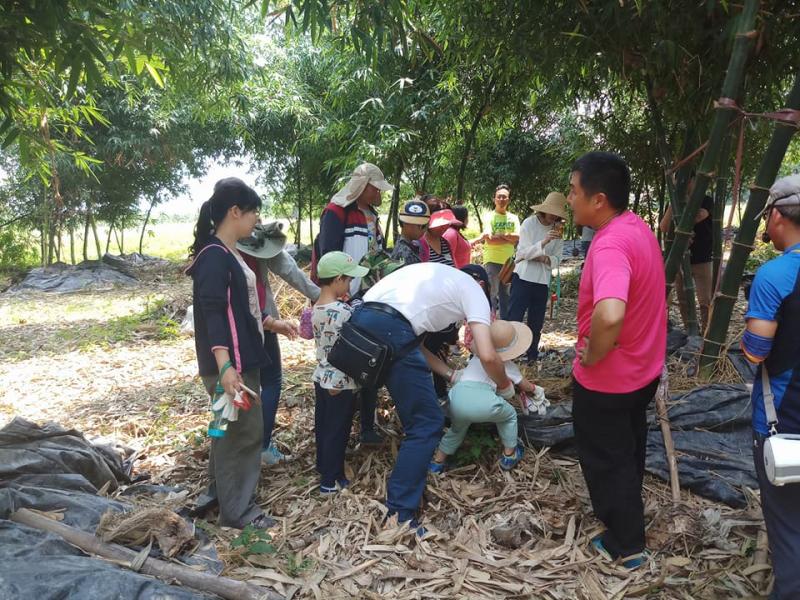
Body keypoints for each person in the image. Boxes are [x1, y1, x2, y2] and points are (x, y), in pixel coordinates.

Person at [348, 262, 514, 532]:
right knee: (426, 423)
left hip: (362, 318)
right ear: (483, 286)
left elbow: (418, 347)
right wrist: (505, 386)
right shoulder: (475, 292)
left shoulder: (436, 278)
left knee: (411, 413)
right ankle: (400, 515)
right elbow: (487, 355)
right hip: (391, 328)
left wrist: (451, 375)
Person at [566, 152, 666, 568]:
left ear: (599, 199)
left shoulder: (609, 244)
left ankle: (626, 544)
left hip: (608, 380)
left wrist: (593, 354)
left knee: (607, 460)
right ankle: (628, 515)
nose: (569, 199)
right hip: (642, 371)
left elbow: (610, 313)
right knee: (627, 449)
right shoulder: (636, 227)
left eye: (573, 191)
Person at [186, 177, 274, 529]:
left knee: (223, 428)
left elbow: (238, 307)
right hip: (232, 367)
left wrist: (269, 323)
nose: (256, 220)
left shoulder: (227, 252)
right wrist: (226, 368)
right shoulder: (214, 256)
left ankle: (218, 492)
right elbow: (214, 313)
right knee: (245, 433)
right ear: (235, 212)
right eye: (253, 213)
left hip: (236, 360)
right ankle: (237, 511)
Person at [740, 174, 800, 600]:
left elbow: (756, 351)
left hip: (786, 418)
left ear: (777, 215)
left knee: (788, 525)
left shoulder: (776, 274)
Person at [312, 162, 394, 446]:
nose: (379, 194)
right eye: (376, 189)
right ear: (363, 186)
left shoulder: (372, 215)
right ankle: (338, 428)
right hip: (344, 296)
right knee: (342, 358)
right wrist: (340, 292)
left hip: (368, 294)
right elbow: (328, 255)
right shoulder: (337, 212)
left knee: (369, 357)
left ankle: (367, 425)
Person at [237, 222, 319, 464]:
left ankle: (238, 448)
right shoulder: (243, 246)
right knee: (270, 380)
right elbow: (290, 271)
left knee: (241, 385)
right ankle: (260, 445)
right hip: (259, 323)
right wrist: (319, 295)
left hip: (229, 331)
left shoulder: (218, 246)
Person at [428, 320, 533, 473]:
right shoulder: (508, 366)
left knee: (456, 430)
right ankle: (510, 454)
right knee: (509, 416)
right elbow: (525, 385)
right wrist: (534, 390)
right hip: (484, 402)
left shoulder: (475, 360)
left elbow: (461, 376)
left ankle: (438, 462)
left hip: (457, 398)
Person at [311, 252, 370, 494]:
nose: (349, 285)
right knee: (338, 430)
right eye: (348, 280)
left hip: (321, 375)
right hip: (340, 380)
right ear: (337, 279)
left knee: (324, 425)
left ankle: (325, 467)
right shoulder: (343, 311)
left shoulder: (316, 307)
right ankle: (329, 481)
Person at [508, 192, 567, 363]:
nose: (553, 216)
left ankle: (532, 355)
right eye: (551, 212)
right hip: (523, 277)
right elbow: (523, 252)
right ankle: (509, 353)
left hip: (542, 281)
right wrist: (544, 242)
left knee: (536, 321)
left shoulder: (558, 230)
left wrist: (544, 258)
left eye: (557, 213)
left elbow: (557, 258)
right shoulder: (529, 223)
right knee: (514, 317)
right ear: (544, 209)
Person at [659, 174, 714, 332]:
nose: (681, 184)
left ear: (694, 180)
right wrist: (674, 202)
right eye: (677, 181)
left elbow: (699, 215)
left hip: (702, 257)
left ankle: (707, 333)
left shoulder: (706, 200)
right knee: (683, 299)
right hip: (680, 258)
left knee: (705, 300)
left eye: (685, 180)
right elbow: (664, 227)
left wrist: (680, 224)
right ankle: (690, 331)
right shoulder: (674, 203)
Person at [473, 185, 520, 319]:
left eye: (504, 197)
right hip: (492, 260)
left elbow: (517, 237)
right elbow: (490, 239)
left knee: (506, 295)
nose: (501, 199)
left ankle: (505, 323)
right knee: (491, 293)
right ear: (494, 199)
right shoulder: (489, 216)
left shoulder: (513, 218)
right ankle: (490, 321)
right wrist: (508, 238)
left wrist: (500, 235)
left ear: (508, 200)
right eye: (499, 197)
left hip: (508, 262)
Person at [391, 200, 431, 266]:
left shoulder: (403, 245)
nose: (424, 230)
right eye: (422, 226)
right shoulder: (406, 254)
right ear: (405, 224)